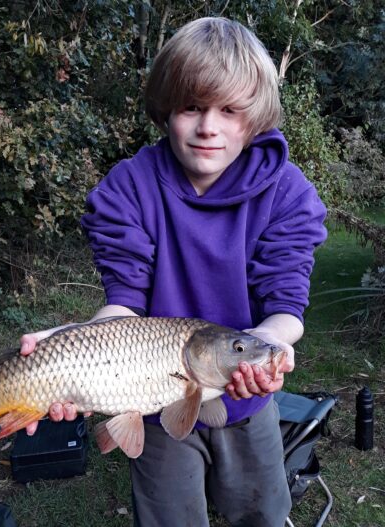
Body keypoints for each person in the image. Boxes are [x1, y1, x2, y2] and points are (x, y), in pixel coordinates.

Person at [20, 17, 327, 527]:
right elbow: (124, 301)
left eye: (229, 110)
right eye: (191, 107)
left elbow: (286, 306)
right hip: (155, 396)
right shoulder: (128, 188)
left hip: (247, 401)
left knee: (264, 515)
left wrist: (269, 348)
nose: (209, 126)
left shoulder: (289, 194)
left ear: (255, 118)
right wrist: (69, 348)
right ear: (166, 111)